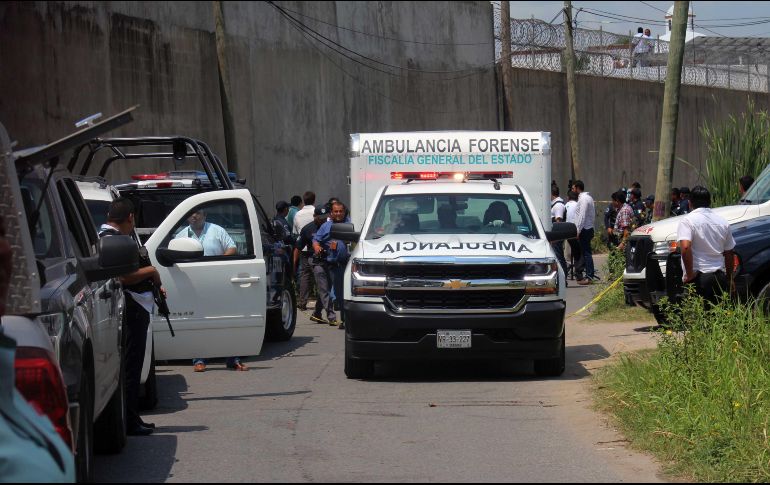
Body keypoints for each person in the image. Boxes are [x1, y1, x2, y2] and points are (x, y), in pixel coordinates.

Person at [98, 198, 164, 435]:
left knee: (132, 366)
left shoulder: (115, 237)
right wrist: (152, 272)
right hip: (130, 307)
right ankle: (130, 421)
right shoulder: (112, 239)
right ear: (130, 218)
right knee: (131, 366)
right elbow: (123, 277)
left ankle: (132, 418)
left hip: (132, 306)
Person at [174, 209, 246, 372]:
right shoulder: (180, 236)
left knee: (226, 321)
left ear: (205, 215)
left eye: (198, 213)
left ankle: (233, 359)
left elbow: (232, 249)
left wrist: (217, 266)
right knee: (199, 322)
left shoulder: (217, 230)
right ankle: (199, 360)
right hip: (193, 286)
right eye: (191, 213)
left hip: (218, 283)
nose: (194, 216)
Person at [677, 186, 736, 305]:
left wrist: (689, 275)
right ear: (709, 202)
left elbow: (686, 247)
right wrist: (729, 278)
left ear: (690, 203)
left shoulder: (687, 221)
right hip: (720, 278)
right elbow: (729, 253)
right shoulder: (722, 222)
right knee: (718, 317)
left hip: (698, 278)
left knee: (699, 318)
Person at [295, 206, 337, 325]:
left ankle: (317, 313)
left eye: (325, 217)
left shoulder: (330, 226)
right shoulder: (307, 229)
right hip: (315, 261)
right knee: (324, 289)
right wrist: (293, 265)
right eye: (320, 218)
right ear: (314, 217)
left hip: (329, 260)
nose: (323, 220)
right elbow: (298, 248)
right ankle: (331, 317)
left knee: (325, 289)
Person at [313, 202, 350, 328]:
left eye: (341, 211)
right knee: (337, 294)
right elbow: (316, 240)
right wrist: (317, 247)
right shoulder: (326, 226)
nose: (338, 214)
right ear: (331, 213)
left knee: (345, 294)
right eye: (336, 211)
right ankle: (338, 319)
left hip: (348, 264)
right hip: (333, 265)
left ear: (344, 212)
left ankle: (345, 320)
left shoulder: (350, 224)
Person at [572, 180, 596, 284]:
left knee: (586, 253)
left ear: (578, 188)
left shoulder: (584, 199)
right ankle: (588, 275)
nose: (573, 190)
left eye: (573, 188)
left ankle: (589, 276)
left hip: (585, 229)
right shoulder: (587, 198)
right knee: (586, 253)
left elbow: (582, 216)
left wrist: (578, 230)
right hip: (587, 228)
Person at [550, 184, 568, 274]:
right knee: (557, 256)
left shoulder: (558, 205)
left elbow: (558, 221)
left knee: (559, 256)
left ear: (551, 194)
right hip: (554, 236)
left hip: (557, 236)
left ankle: (563, 275)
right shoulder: (555, 204)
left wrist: (554, 237)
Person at [565, 190, 581, 280]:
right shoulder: (578, 205)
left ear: (568, 197)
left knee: (568, 253)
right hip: (576, 230)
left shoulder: (566, 205)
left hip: (567, 231)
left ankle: (568, 269)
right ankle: (577, 271)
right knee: (577, 252)